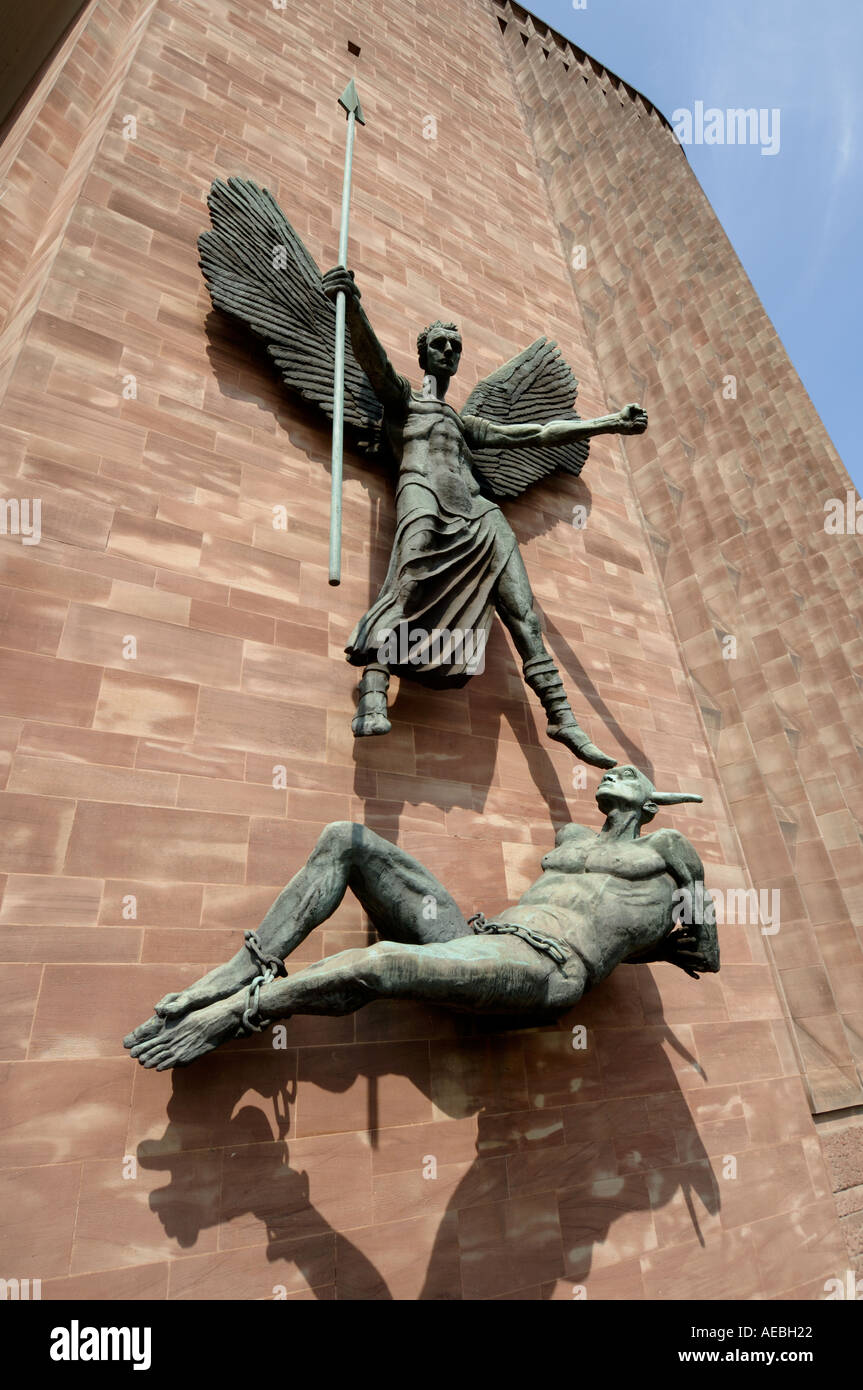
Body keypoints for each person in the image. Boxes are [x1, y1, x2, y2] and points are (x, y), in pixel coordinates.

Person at [124, 766, 718, 1072]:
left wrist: (669, 948)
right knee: (346, 838)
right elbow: (615, 919)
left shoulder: (667, 849)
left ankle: (236, 1014)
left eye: (631, 776)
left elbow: (697, 943)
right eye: (610, 770)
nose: (614, 773)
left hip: (546, 969)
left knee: (382, 962)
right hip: (486, 942)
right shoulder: (570, 837)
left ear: (650, 804)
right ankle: (237, 973)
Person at [321, 266, 648, 768]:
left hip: (480, 512)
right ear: (424, 352)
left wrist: (609, 424)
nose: (450, 352)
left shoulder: (466, 422)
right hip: (422, 494)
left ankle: (561, 717)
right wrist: (354, 305)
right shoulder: (405, 402)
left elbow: (535, 434)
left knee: (524, 611)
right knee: (406, 585)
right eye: (440, 344)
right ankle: (374, 685)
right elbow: (375, 364)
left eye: (456, 346)